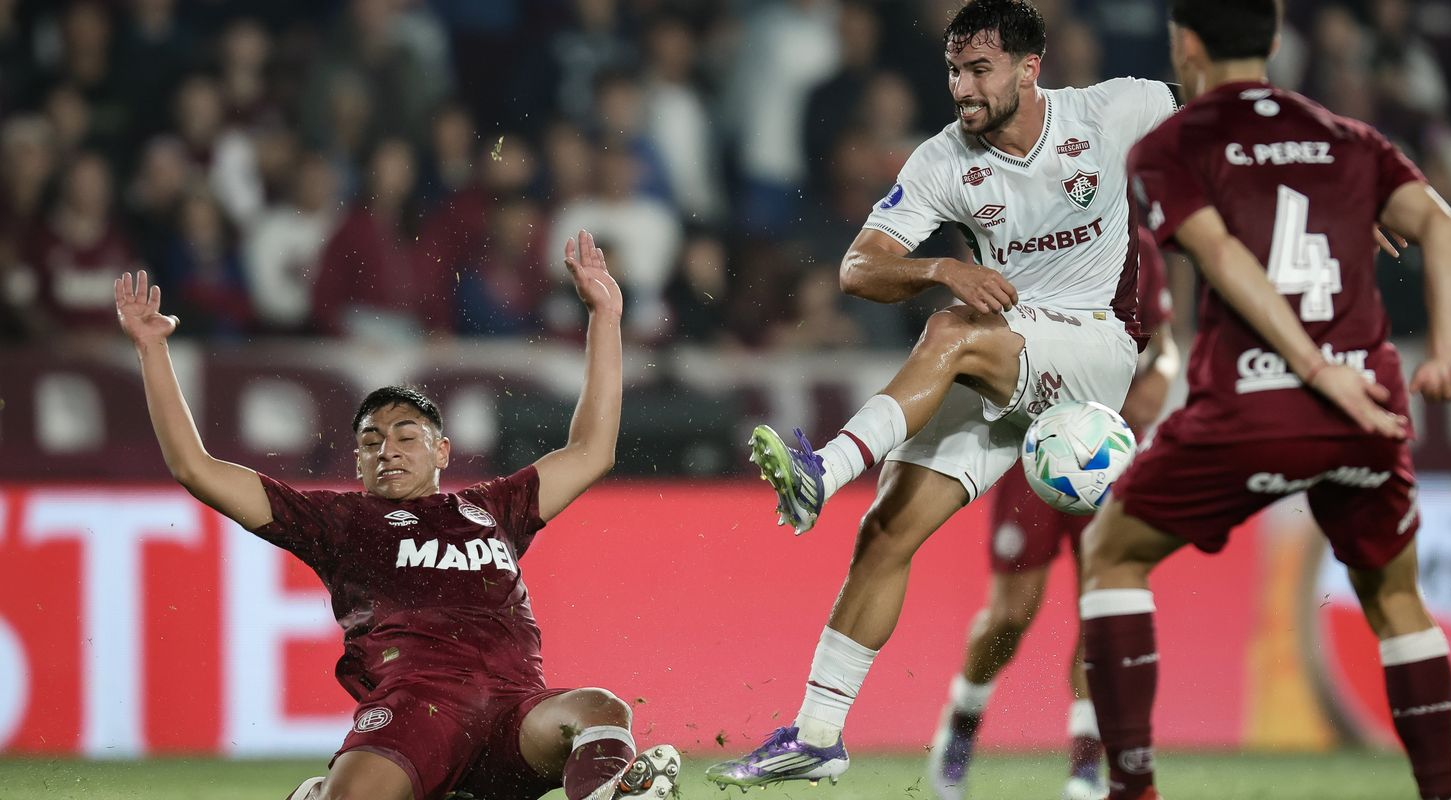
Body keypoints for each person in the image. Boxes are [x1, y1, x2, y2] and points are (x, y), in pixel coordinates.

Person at [707, 0, 1179, 788]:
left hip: (1097, 348)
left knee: (952, 330)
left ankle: (824, 468)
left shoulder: (1111, 110)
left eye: (980, 69)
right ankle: (819, 734)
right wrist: (936, 265)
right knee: (886, 533)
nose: (962, 85)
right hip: (1008, 352)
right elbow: (858, 267)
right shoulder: (942, 161)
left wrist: (1326, 184)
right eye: (955, 69)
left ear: (1031, 69)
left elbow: (1228, 111)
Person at [113, 230, 681, 800]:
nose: (387, 449)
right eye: (371, 441)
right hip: (418, 712)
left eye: (406, 436)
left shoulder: (494, 507)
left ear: (442, 451)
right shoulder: (338, 521)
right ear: (357, 460)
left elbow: (591, 452)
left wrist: (605, 316)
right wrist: (152, 349)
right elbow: (197, 468)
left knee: (599, 711)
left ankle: (609, 791)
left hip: (516, 714)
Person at [1078, 2, 1451, 800]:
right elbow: (1443, 228)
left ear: (1185, 45)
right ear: (1277, 40)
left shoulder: (1171, 144)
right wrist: (1444, 352)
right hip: (1368, 402)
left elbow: (1221, 252)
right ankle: (1443, 793)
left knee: (1113, 554)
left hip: (1253, 406)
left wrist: (1306, 364)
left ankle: (1130, 788)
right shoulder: (1347, 137)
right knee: (1396, 597)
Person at [927, 228, 1178, 800]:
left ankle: (1086, 766)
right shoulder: (1023, 230)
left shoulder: (1135, 245)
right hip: (1033, 443)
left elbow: (1166, 343)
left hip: (1111, 450)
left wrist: (1160, 378)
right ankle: (962, 724)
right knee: (1011, 614)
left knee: (1101, 607)